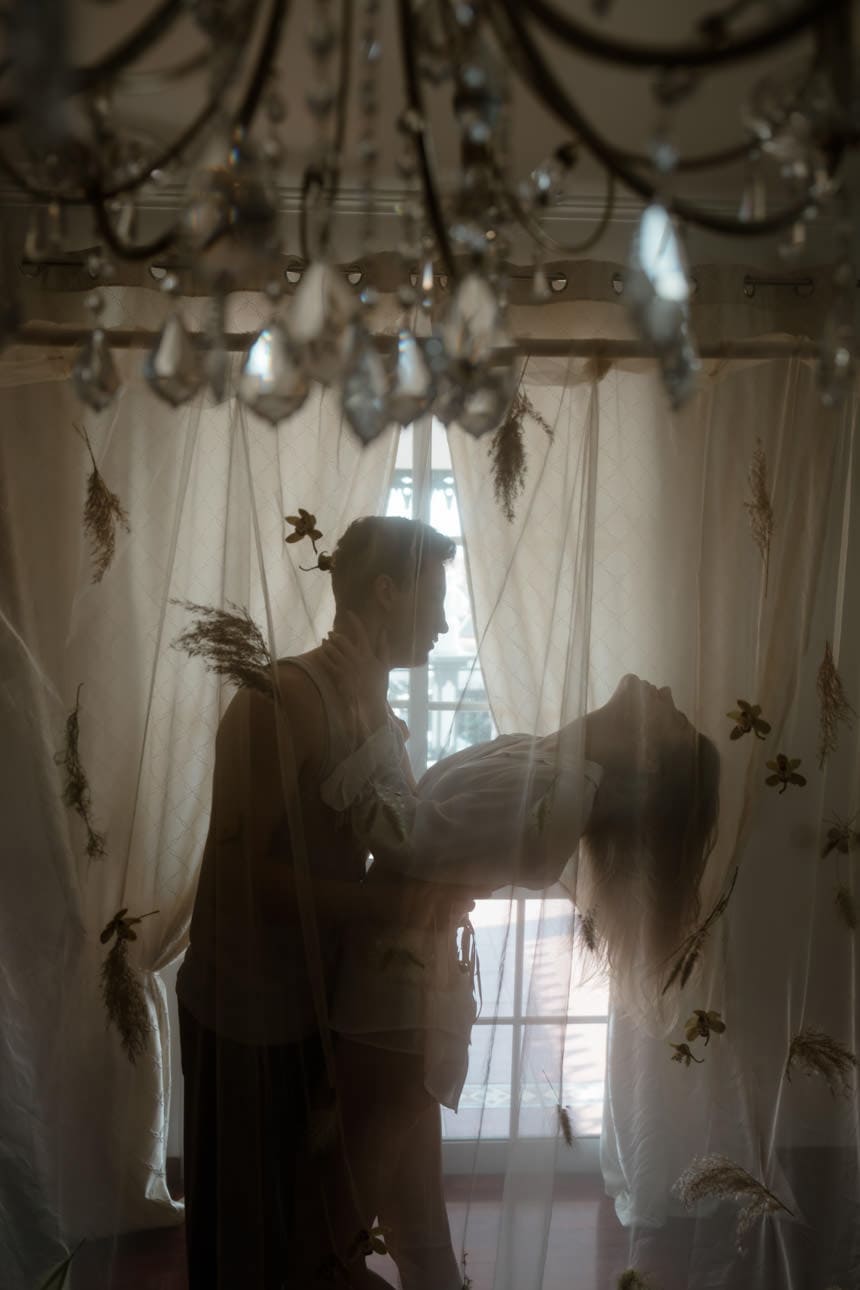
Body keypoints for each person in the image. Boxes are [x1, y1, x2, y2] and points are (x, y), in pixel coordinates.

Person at [318, 622, 721, 1290]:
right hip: (397, 995)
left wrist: (367, 715)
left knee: (332, 1245)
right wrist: (378, 722)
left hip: (395, 1007)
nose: (667, 690)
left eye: (674, 718)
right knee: (416, 1245)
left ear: (650, 763)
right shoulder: (544, 758)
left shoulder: (560, 799)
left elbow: (405, 837)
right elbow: (423, 825)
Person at [175, 515, 463, 1290]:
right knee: (245, 1223)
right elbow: (234, 878)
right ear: (385, 591)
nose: (443, 622)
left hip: (323, 1005)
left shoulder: (376, 708)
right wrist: (375, 911)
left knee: (309, 1214)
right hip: (243, 1011)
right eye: (434, 600)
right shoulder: (282, 700)